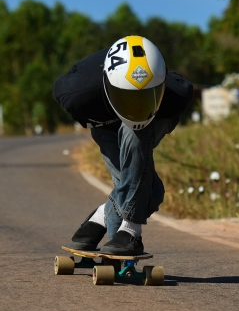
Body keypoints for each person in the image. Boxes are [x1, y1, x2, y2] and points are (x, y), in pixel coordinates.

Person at [54, 36, 193, 255]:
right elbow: (59, 87)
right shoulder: (79, 95)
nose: (135, 107)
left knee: (136, 138)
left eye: (144, 97)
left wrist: (146, 107)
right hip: (104, 116)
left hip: (154, 115)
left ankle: (128, 232)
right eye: (129, 98)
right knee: (151, 191)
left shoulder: (175, 96)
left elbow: (149, 118)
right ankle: (107, 222)